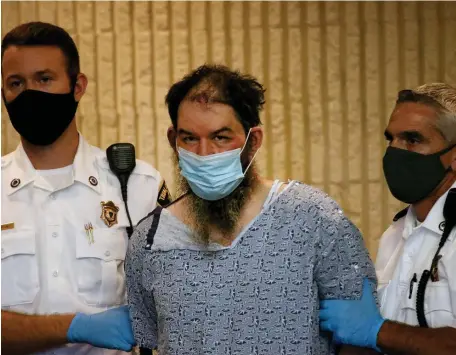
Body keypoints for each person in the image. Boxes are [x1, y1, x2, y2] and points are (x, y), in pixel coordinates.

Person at [125, 64, 377, 355]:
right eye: (190, 138)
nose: (204, 154)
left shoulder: (313, 218)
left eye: (220, 137)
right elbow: (148, 340)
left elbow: (360, 338)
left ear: (252, 140)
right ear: (174, 141)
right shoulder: (149, 241)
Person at [1, 22, 170, 355]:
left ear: (77, 86)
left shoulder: (138, 184)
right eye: (16, 83)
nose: (29, 93)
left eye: (44, 79)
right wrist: (72, 327)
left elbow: (174, 302)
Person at [319, 83, 456, 355]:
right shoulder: (395, 235)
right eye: (391, 138)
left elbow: (382, 332)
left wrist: (377, 330)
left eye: (412, 139)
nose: (395, 151)